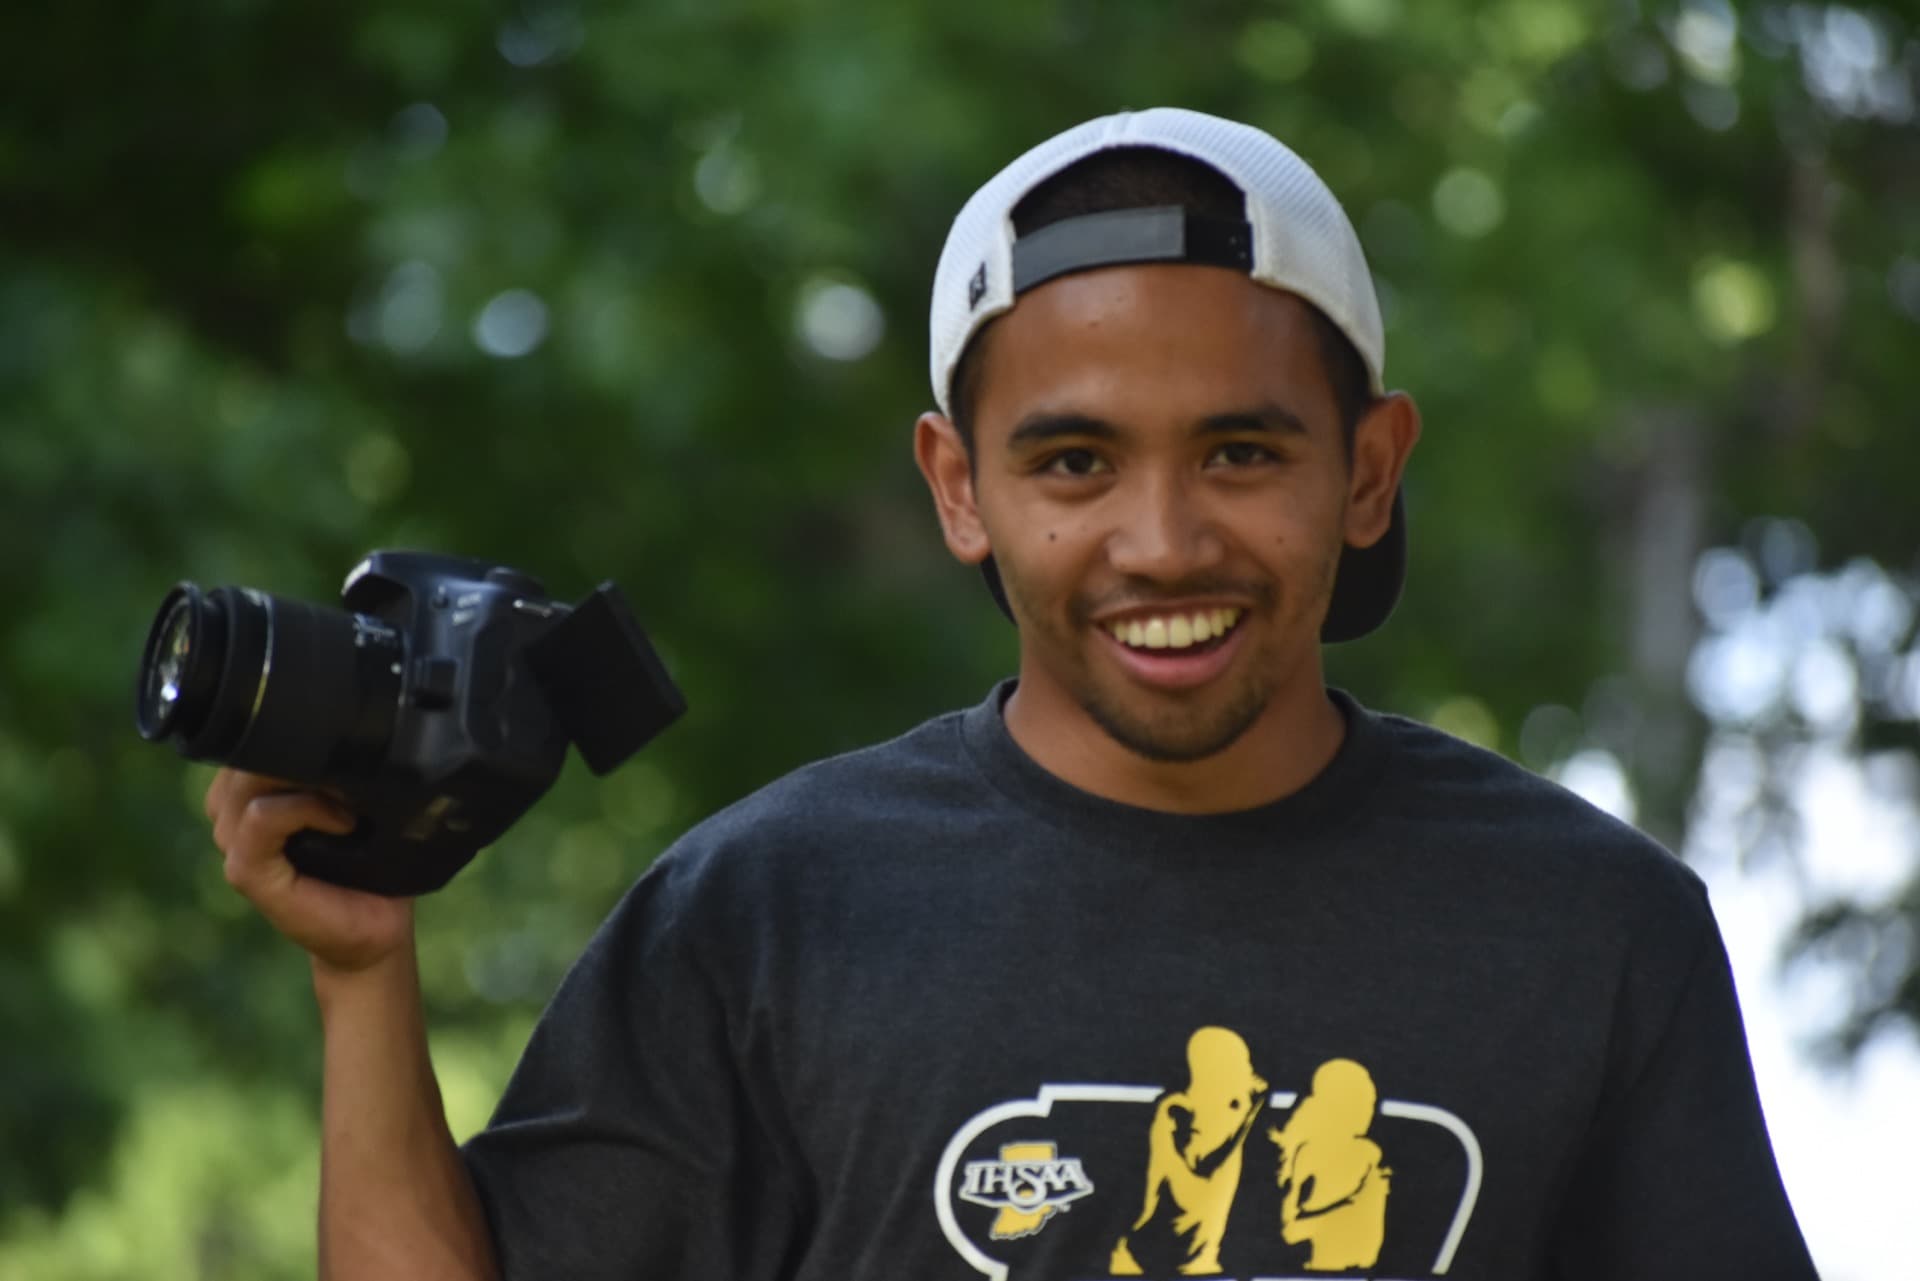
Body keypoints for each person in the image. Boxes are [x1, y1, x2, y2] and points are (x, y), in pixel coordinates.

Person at [205, 108, 1818, 1280]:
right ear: (958, 487)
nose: (1163, 541)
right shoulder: (767, 909)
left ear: (1372, 469)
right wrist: (365, 977)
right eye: (1073, 461)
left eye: (1243, 452)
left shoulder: (1593, 931)